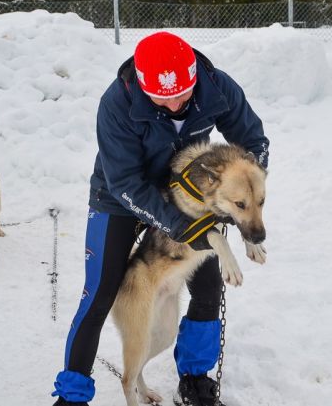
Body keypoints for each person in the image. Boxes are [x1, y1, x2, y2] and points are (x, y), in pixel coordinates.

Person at [51, 31, 269, 406]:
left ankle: (195, 378)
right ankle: (72, 396)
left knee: (207, 288)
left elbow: (254, 143)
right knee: (101, 291)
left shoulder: (215, 85)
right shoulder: (116, 102)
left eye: (182, 96)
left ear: (193, 80)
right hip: (119, 195)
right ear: (142, 84)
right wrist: (183, 228)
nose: (173, 105)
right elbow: (124, 181)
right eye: (161, 99)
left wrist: (241, 186)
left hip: (187, 194)